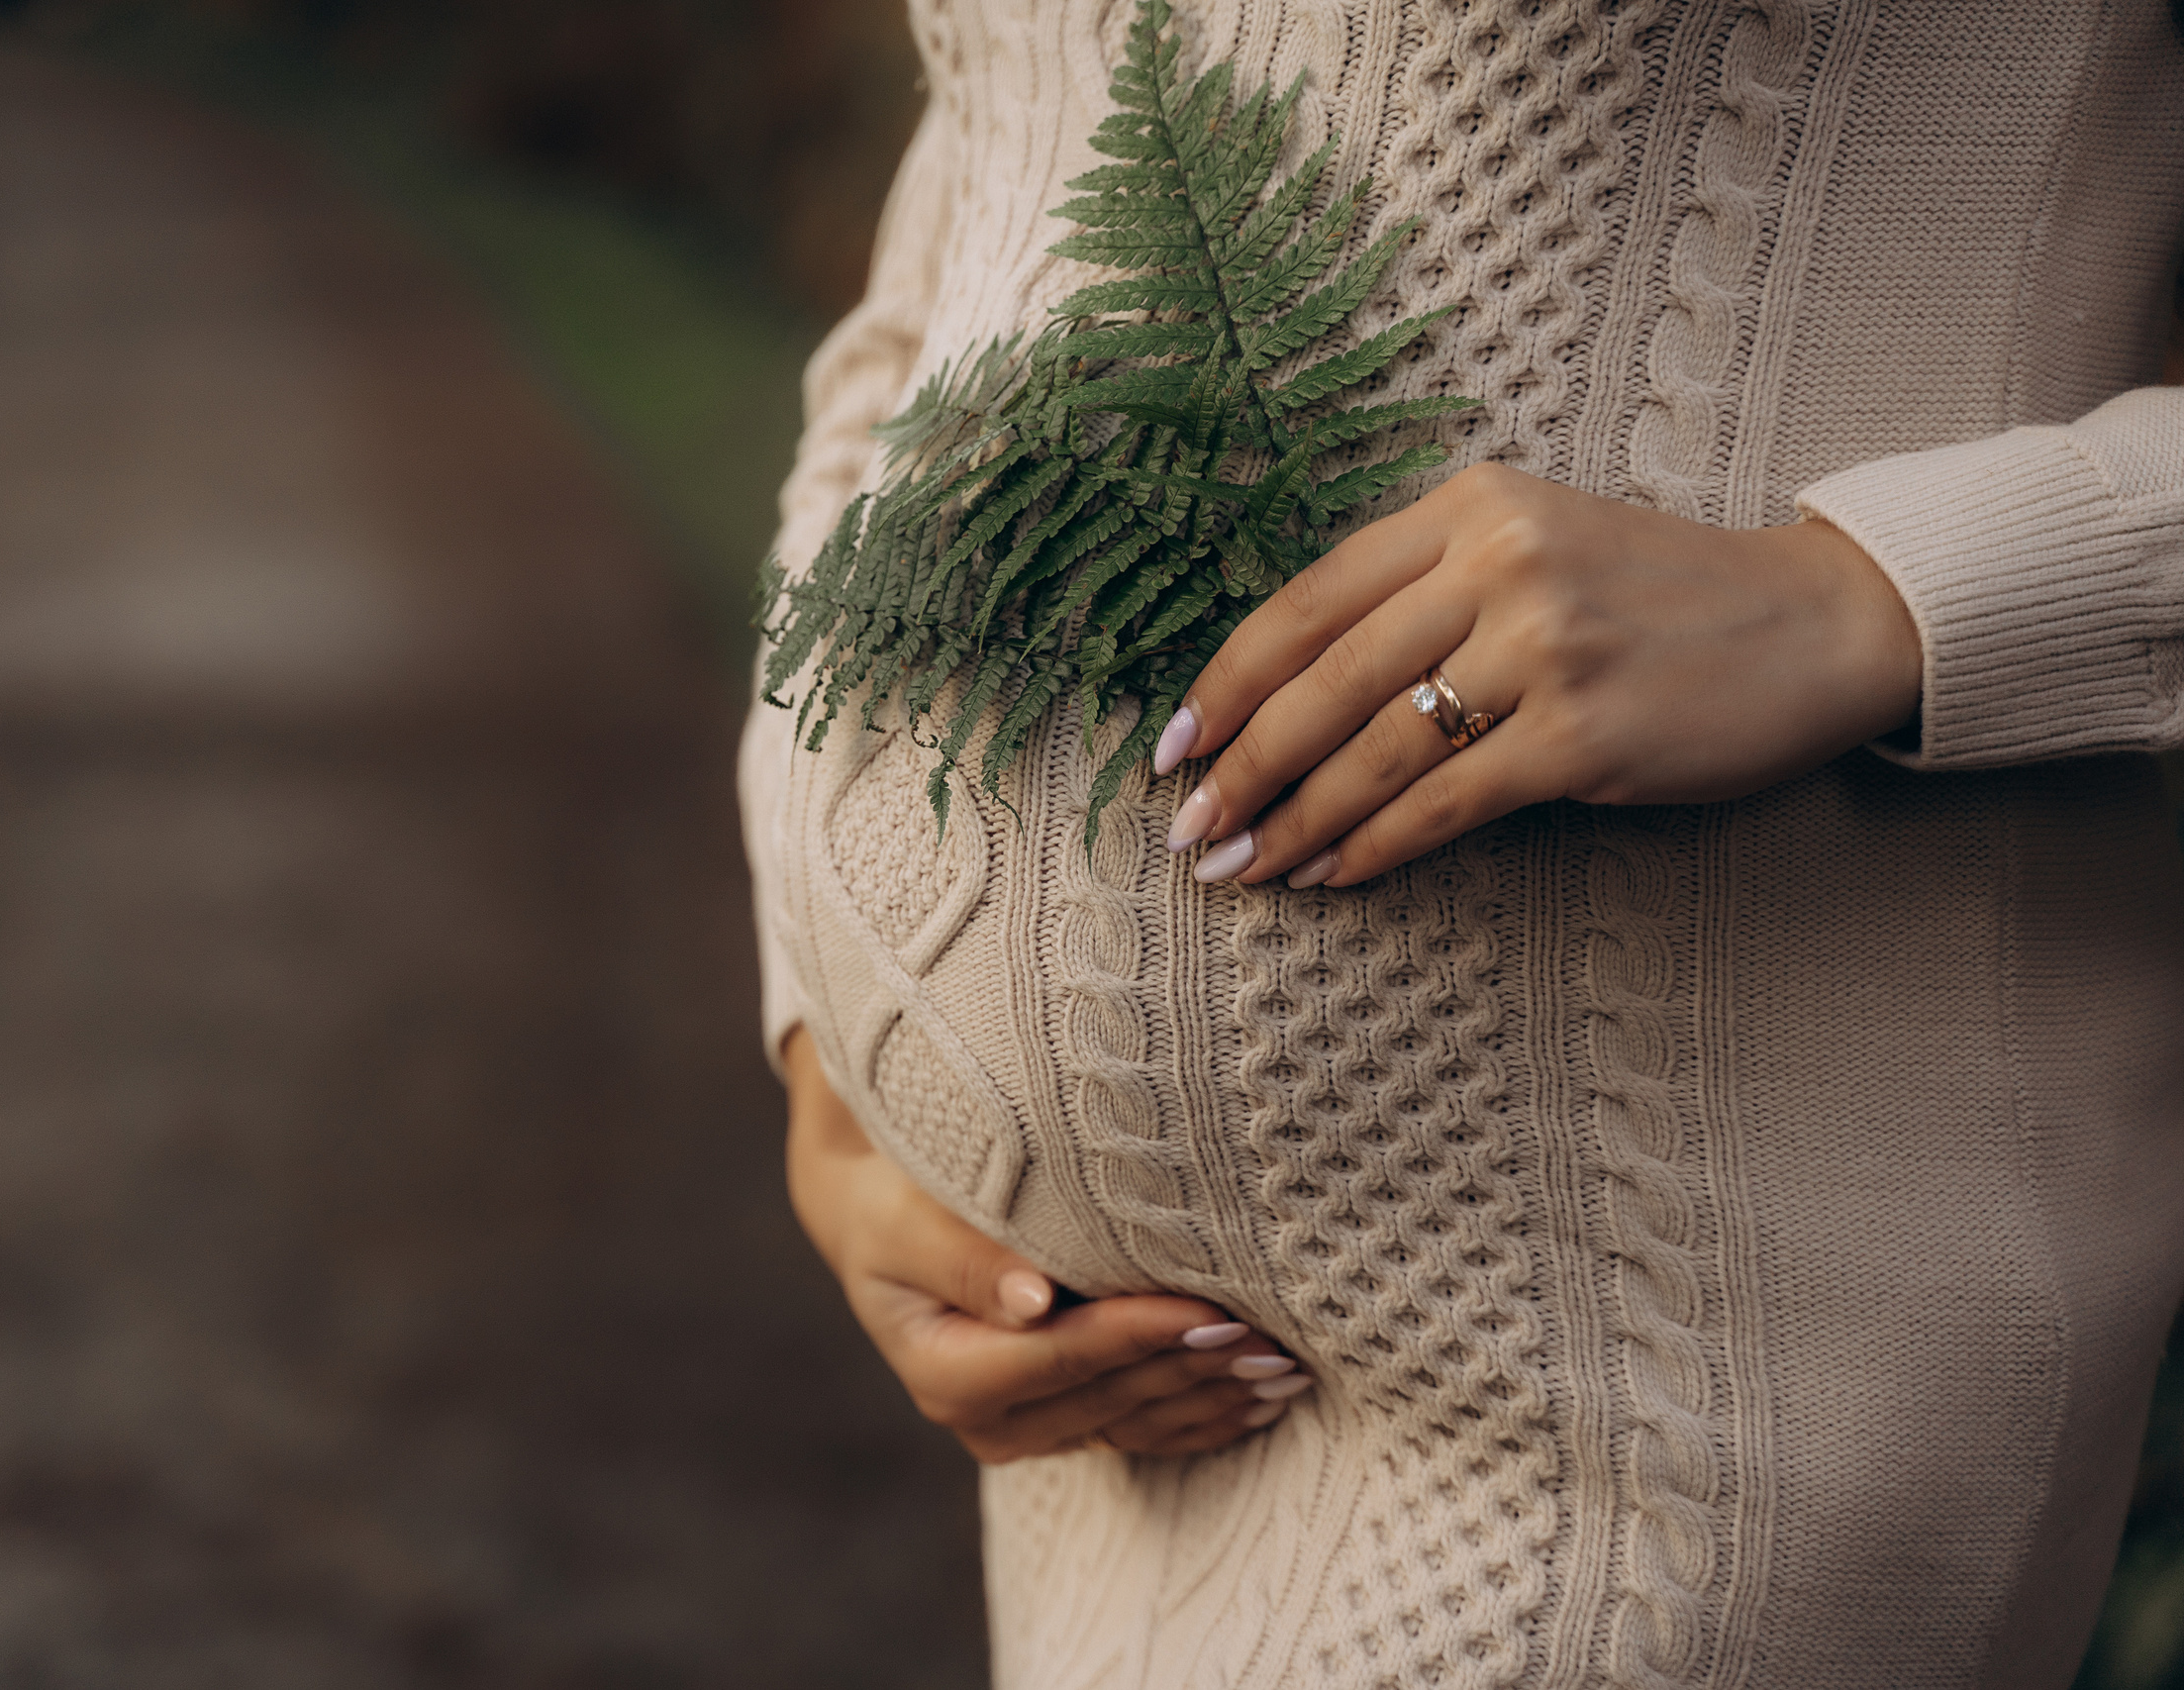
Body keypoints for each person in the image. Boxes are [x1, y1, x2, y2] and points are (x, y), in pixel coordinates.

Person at [740, 3, 2184, 1684]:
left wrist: (1872, 597)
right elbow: (932, 301)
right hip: (1093, 1406)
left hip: (1648, 1339)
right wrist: (830, 1044)